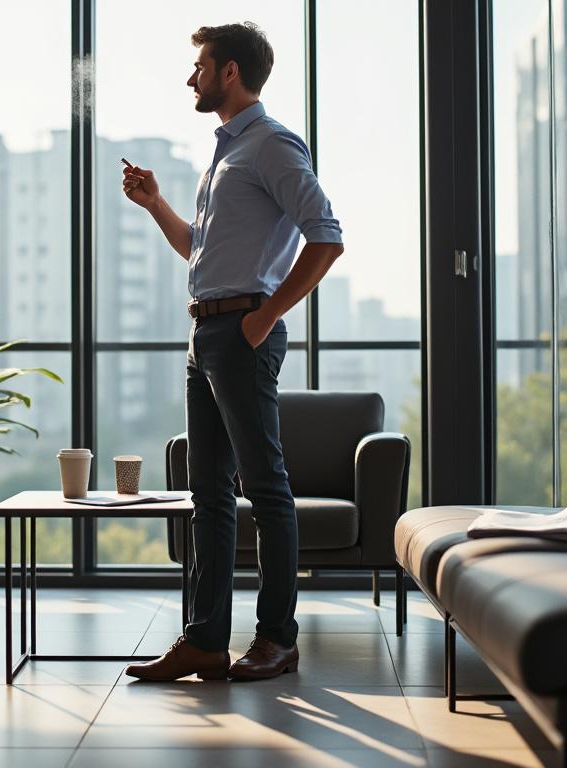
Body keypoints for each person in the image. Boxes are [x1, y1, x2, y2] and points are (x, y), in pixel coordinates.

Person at [122, 22, 344, 681]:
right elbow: (199, 249)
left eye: (200, 66)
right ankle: (204, 641)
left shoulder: (271, 144)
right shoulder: (223, 155)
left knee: (265, 488)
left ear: (229, 73)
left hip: (243, 329)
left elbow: (326, 237)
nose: (190, 77)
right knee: (209, 494)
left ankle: (277, 637)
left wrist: (266, 316)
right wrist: (156, 202)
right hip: (207, 332)